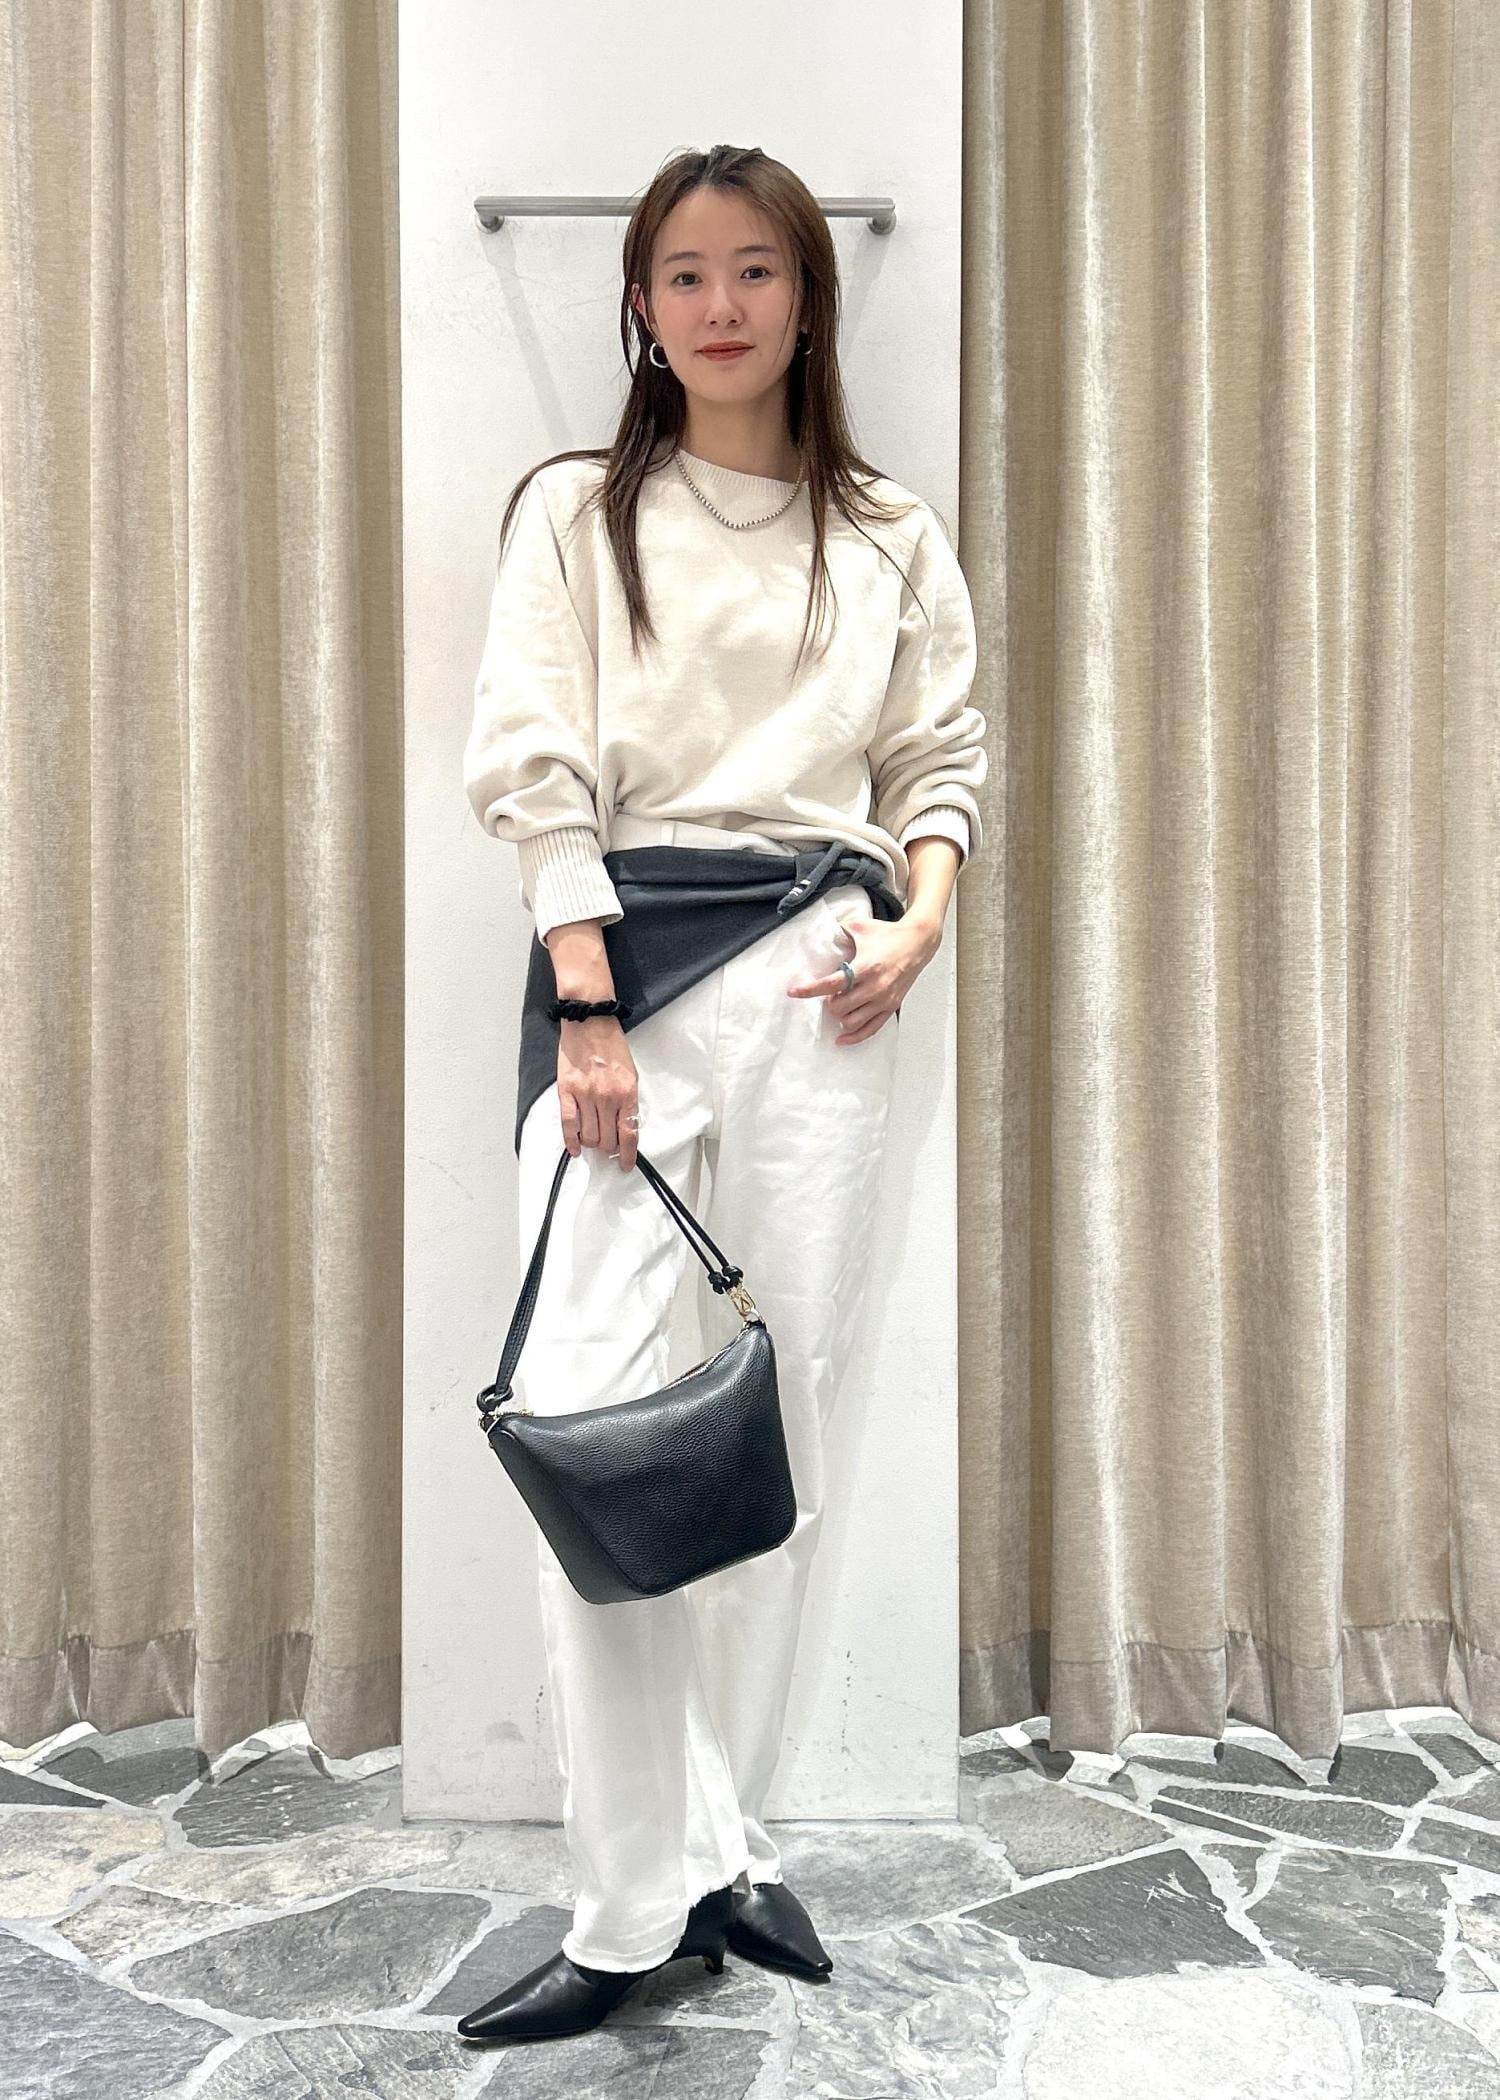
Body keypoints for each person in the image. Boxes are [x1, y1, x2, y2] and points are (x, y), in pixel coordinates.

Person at [456, 142, 987, 2048]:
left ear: (807, 295)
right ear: (641, 306)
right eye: (683, 273)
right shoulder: (578, 510)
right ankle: (633, 1905)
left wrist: (920, 923)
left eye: (755, 268)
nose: (721, 303)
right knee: (589, 1430)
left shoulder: (887, 531)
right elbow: (531, 760)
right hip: (628, 976)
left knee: (783, 1431)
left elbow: (937, 754)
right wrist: (589, 1008)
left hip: (827, 984)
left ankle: (729, 1846)